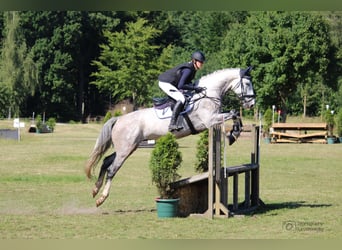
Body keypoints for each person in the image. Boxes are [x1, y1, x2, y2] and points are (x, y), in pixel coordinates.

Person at [158, 51, 205, 132]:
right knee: (181, 98)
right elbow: (181, 85)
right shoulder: (188, 70)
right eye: (200, 62)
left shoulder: (193, 68)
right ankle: (172, 124)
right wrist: (194, 88)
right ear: (194, 61)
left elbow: (186, 82)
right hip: (165, 83)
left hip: (171, 83)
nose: (202, 64)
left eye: (202, 62)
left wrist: (193, 88)